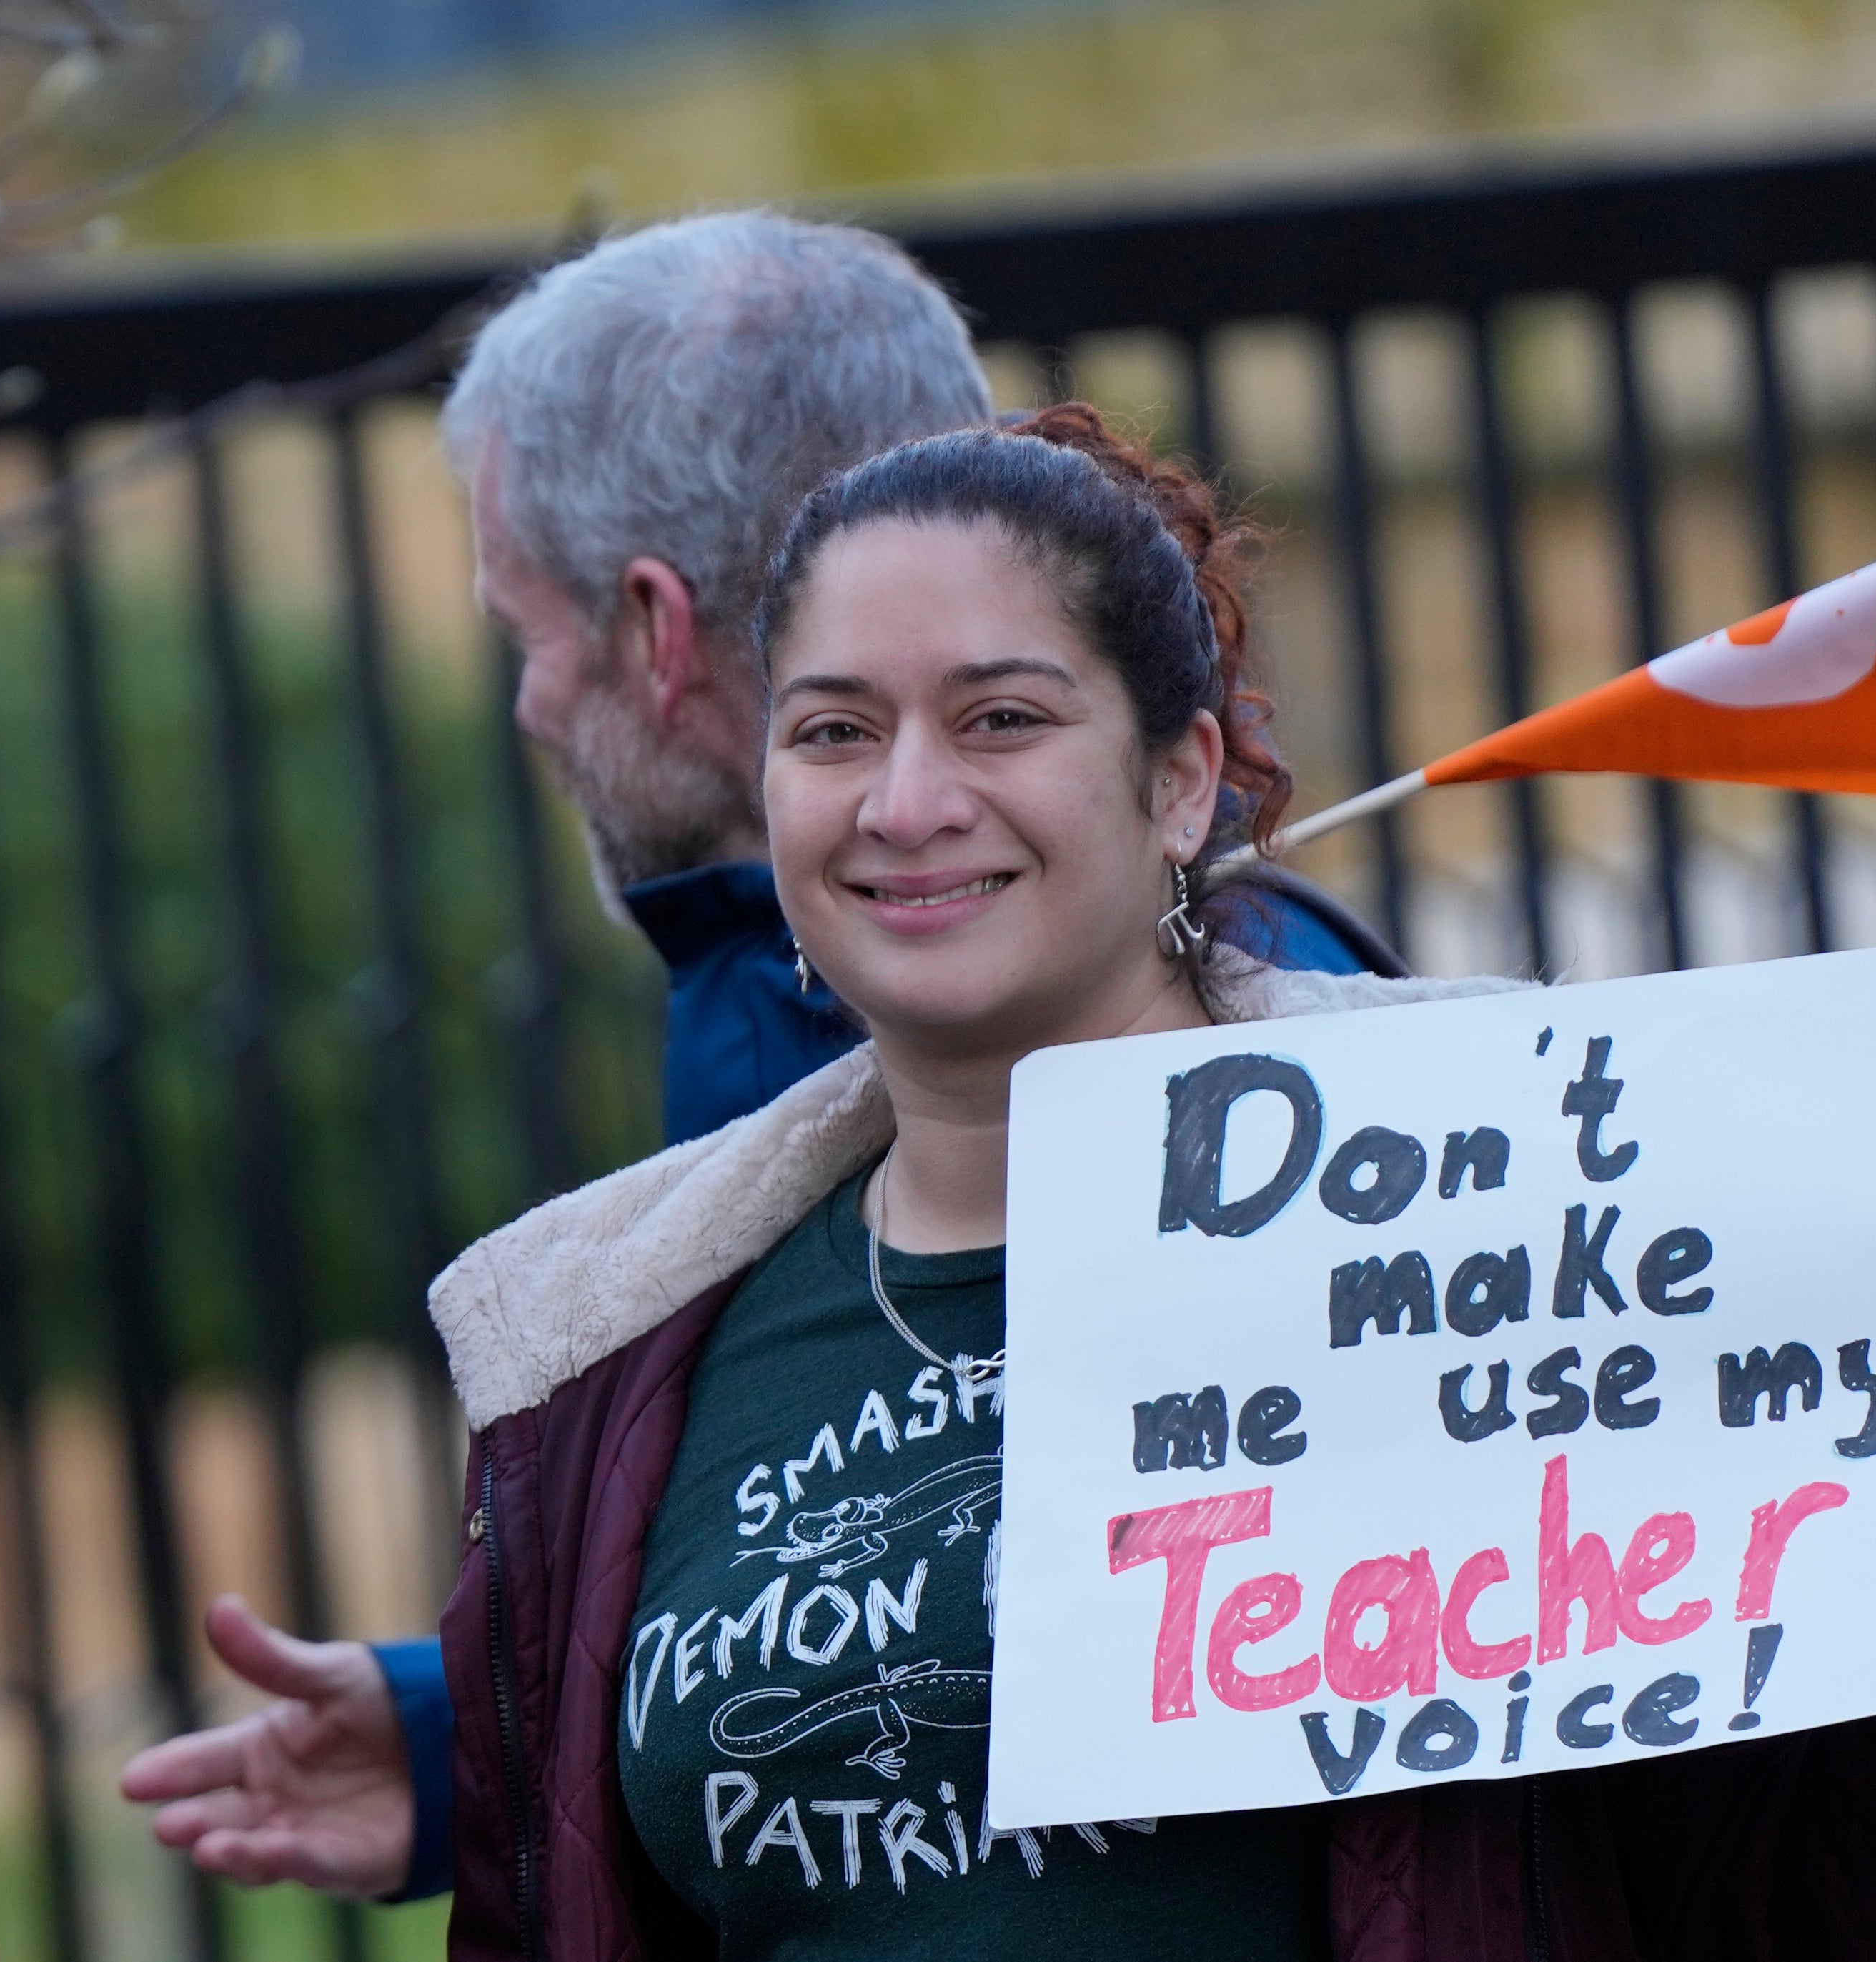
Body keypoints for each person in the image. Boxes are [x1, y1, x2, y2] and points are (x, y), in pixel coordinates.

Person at [430, 404, 1876, 1961]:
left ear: (1179, 781)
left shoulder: (1503, 1230)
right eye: (831, 729)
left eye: (1000, 716)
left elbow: (1822, 1913)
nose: (906, 798)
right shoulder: (607, 1362)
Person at [118, 212, 1391, 1908]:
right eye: (837, 726)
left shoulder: (1362, 1146)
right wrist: (476, 1731)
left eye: (526, 628)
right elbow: (870, 1596)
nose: (909, 801)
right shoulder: (779, 1111)